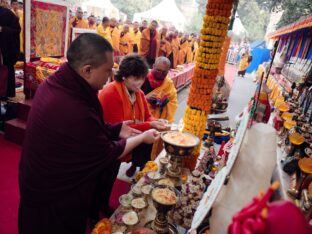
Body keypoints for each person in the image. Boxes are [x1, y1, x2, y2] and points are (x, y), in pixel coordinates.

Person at [18, 34, 159, 234]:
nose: (111, 76)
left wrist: (115, 129)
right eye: (108, 70)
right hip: (53, 196)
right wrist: (141, 138)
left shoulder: (56, 83)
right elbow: (108, 152)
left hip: (39, 181)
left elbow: (87, 128)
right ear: (87, 70)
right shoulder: (73, 108)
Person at [98, 54, 167, 178]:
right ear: (124, 76)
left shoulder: (138, 93)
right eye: (136, 78)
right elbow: (119, 130)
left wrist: (156, 121)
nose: (140, 82)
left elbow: (147, 115)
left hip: (127, 144)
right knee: (105, 177)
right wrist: (150, 124)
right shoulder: (111, 93)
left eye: (142, 78)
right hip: (109, 149)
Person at [141, 56, 178, 160]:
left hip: (159, 120)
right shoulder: (143, 78)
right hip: (143, 118)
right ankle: (134, 165)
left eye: (164, 72)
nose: (160, 74)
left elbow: (173, 101)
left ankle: (149, 163)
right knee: (140, 144)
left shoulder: (168, 83)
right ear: (153, 66)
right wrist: (145, 98)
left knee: (153, 145)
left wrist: (165, 102)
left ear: (168, 71)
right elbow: (132, 97)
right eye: (158, 70)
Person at [0, 1, 20, 98]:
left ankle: (5, 93)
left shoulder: (7, 14)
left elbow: (17, 30)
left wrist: (2, 29)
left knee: (5, 69)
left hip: (5, 49)